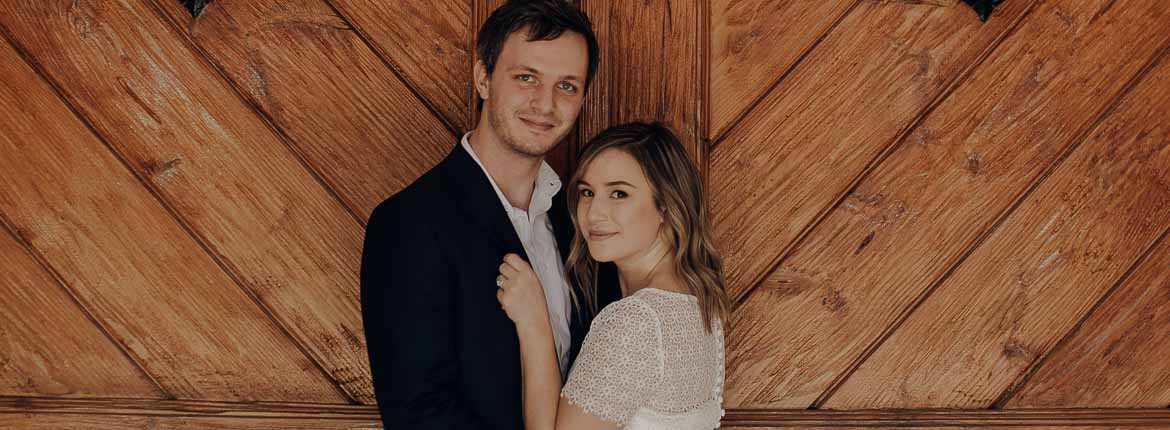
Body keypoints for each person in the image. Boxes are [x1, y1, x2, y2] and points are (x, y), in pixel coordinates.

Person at [358, 1, 618, 428]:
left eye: (567, 86)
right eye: (526, 77)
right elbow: (420, 416)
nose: (545, 103)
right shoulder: (408, 224)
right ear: (483, 78)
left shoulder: (584, 220)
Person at [496, 122, 731, 429]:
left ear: (666, 205)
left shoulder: (637, 321)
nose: (593, 213)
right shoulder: (698, 303)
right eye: (587, 192)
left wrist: (533, 322)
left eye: (619, 193)